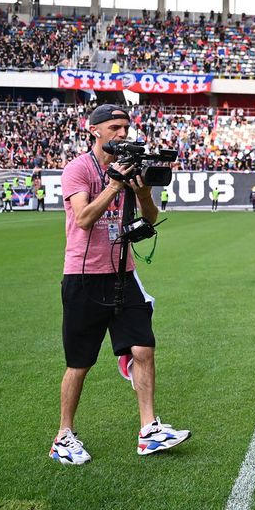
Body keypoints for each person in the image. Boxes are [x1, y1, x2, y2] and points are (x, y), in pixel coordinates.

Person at [50, 104, 190, 466]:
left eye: (126, 127)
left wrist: (141, 191)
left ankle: (149, 430)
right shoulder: (78, 169)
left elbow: (151, 217)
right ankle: (64, 436)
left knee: (143, 348)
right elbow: (82, 218)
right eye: (114, 127)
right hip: (84, 277)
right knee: (80, 363)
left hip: (123, 273)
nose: (122, 133)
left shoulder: (130, 166)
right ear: (93, 130)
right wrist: (114, 184)